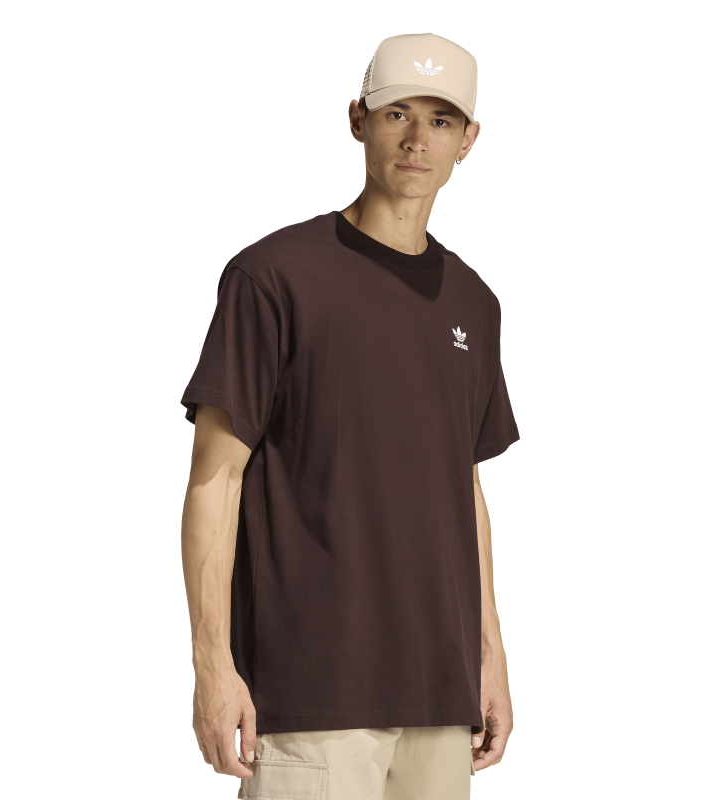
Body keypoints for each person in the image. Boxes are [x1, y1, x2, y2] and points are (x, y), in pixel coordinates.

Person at [180, 32, 519, 799]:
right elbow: (215, 480)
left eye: (441, 119)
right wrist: (213, 665)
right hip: (310, 691)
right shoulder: (273, 277)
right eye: (398, 113)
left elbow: (463, 486)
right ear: (357, 119)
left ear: (468, 140)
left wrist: (489, 653)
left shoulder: (475, 303)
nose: (417, 139)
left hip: (440, 694)